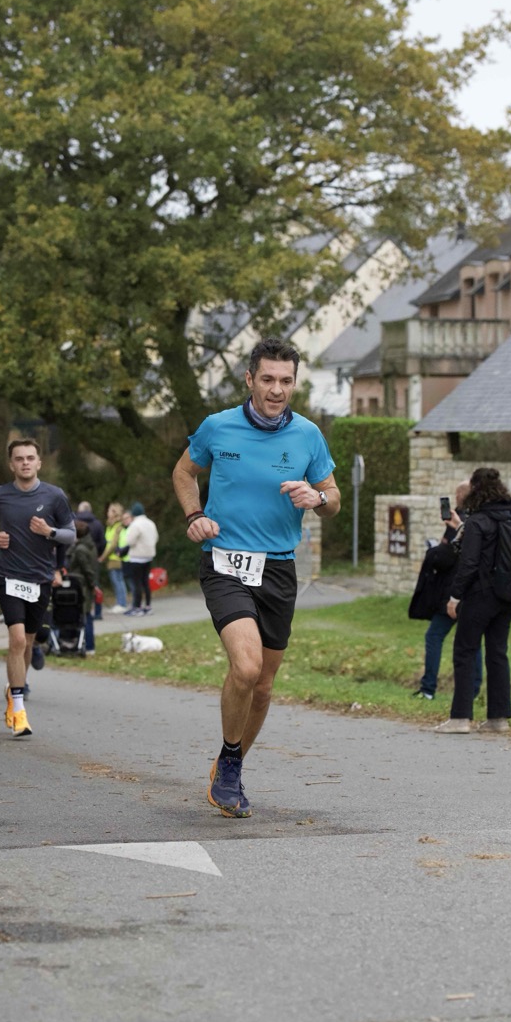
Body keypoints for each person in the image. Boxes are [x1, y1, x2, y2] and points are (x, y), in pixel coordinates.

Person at [172, 337, 340, 819]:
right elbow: (184, 473)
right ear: (250, 380)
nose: (276, 389)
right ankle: (229, 766)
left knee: (263, 686)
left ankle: (230, 765)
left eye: (286, 380)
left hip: (279, 568)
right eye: (267, 379)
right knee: (245, 668)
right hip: (225, 561)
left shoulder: (308, 435)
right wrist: (194, 516)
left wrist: (318, 499)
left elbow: (333, 497)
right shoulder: (217, 426)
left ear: (295, 383)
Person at [0, 439, 75, 737]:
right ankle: (19, 710)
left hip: (40, 578)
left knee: (29, 642)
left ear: (39, 463)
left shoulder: (54, 496)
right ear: (11, 464)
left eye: (30, 458)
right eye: (19, 458)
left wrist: (49, 531)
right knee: (17, 639)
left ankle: (14, 691)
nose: (25, 463)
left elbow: (71, 534)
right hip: (9, 576)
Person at [436, 467, 511, 734]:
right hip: (506, 596)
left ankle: (461, 718)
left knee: (464, 652)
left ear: (475, 489)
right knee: (498, 654)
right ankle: (498, 719)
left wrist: (454, 596)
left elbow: (469, 564)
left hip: (479, 596)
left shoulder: (478, 521)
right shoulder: (510, 517)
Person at [409, 480, 482, 701]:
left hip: (453, 592)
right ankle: (474, 689)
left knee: (434, 636)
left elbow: (446, 557)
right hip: (474, 591)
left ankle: (428, 688)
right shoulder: (480, 519)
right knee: (473, 641)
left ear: (459, 496)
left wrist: (436, 549)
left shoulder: (458, 522)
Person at [66, 520, 100, 655]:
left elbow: (87, 569)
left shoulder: (80, 550)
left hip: (82, 586)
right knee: (86, 615)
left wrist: (93, 585)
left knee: (85, 616)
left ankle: (89, 645)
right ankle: (85, 643)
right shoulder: (89, 545)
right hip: (86, 585)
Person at [123, 503, 159, 616]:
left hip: (137, 557)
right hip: (149, 556)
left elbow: (130, 541)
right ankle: (148, 606)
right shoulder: (151, 523)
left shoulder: (135, 524)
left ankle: (137, 607)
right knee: (145, 582)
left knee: (137, 583)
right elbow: (156, 537)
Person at [100, 501, 128, 613]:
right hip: (111, 558)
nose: (107, 512)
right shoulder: (110, 526)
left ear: (115, 512)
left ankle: (122, 603)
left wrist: (103, 556)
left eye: (110, 510)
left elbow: (113, 545)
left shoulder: (118, 527)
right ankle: (120, 603)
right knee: (116, 581)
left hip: (116, 558)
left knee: (118, 581)